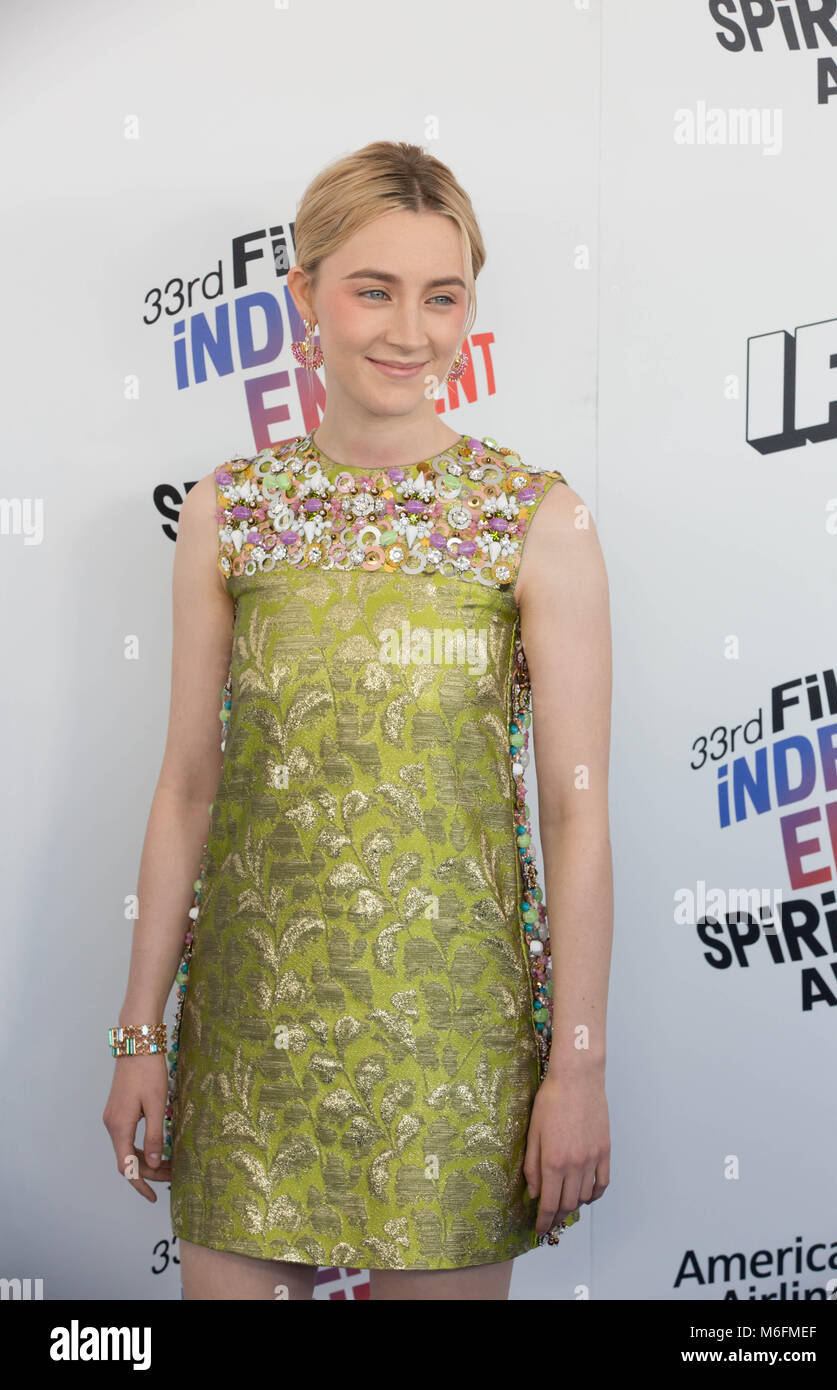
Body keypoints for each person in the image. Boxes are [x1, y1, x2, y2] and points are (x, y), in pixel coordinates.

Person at [103, 140, 613, 1302]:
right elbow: (188, 786)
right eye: (372, 289)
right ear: (306, 298)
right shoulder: (229, 513)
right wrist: (140, 1033)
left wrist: (574, 1065)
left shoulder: (534, 519)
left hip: (453, 1045)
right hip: (248, 1045)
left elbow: (577, 821)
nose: (408, 330)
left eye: (441, 296)